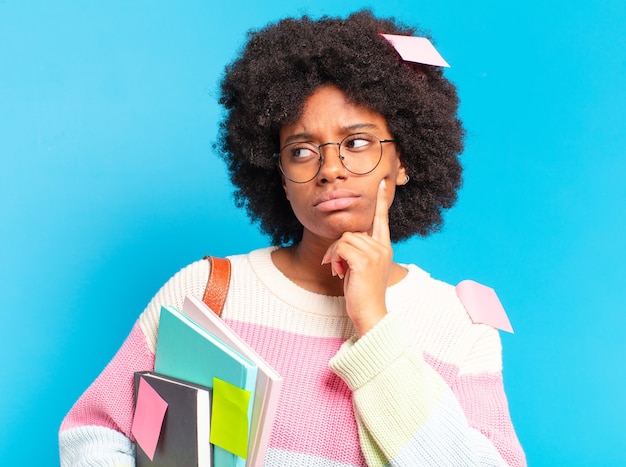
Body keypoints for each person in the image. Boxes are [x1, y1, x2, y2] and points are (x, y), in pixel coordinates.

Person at [59, 10, 526, 467]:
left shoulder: (457, 325)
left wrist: (375, 325)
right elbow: (93, 432)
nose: (331, 169)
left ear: (403, 162)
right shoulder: (205, 292)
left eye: (358, 142)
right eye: (302, 151)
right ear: (279, 176)